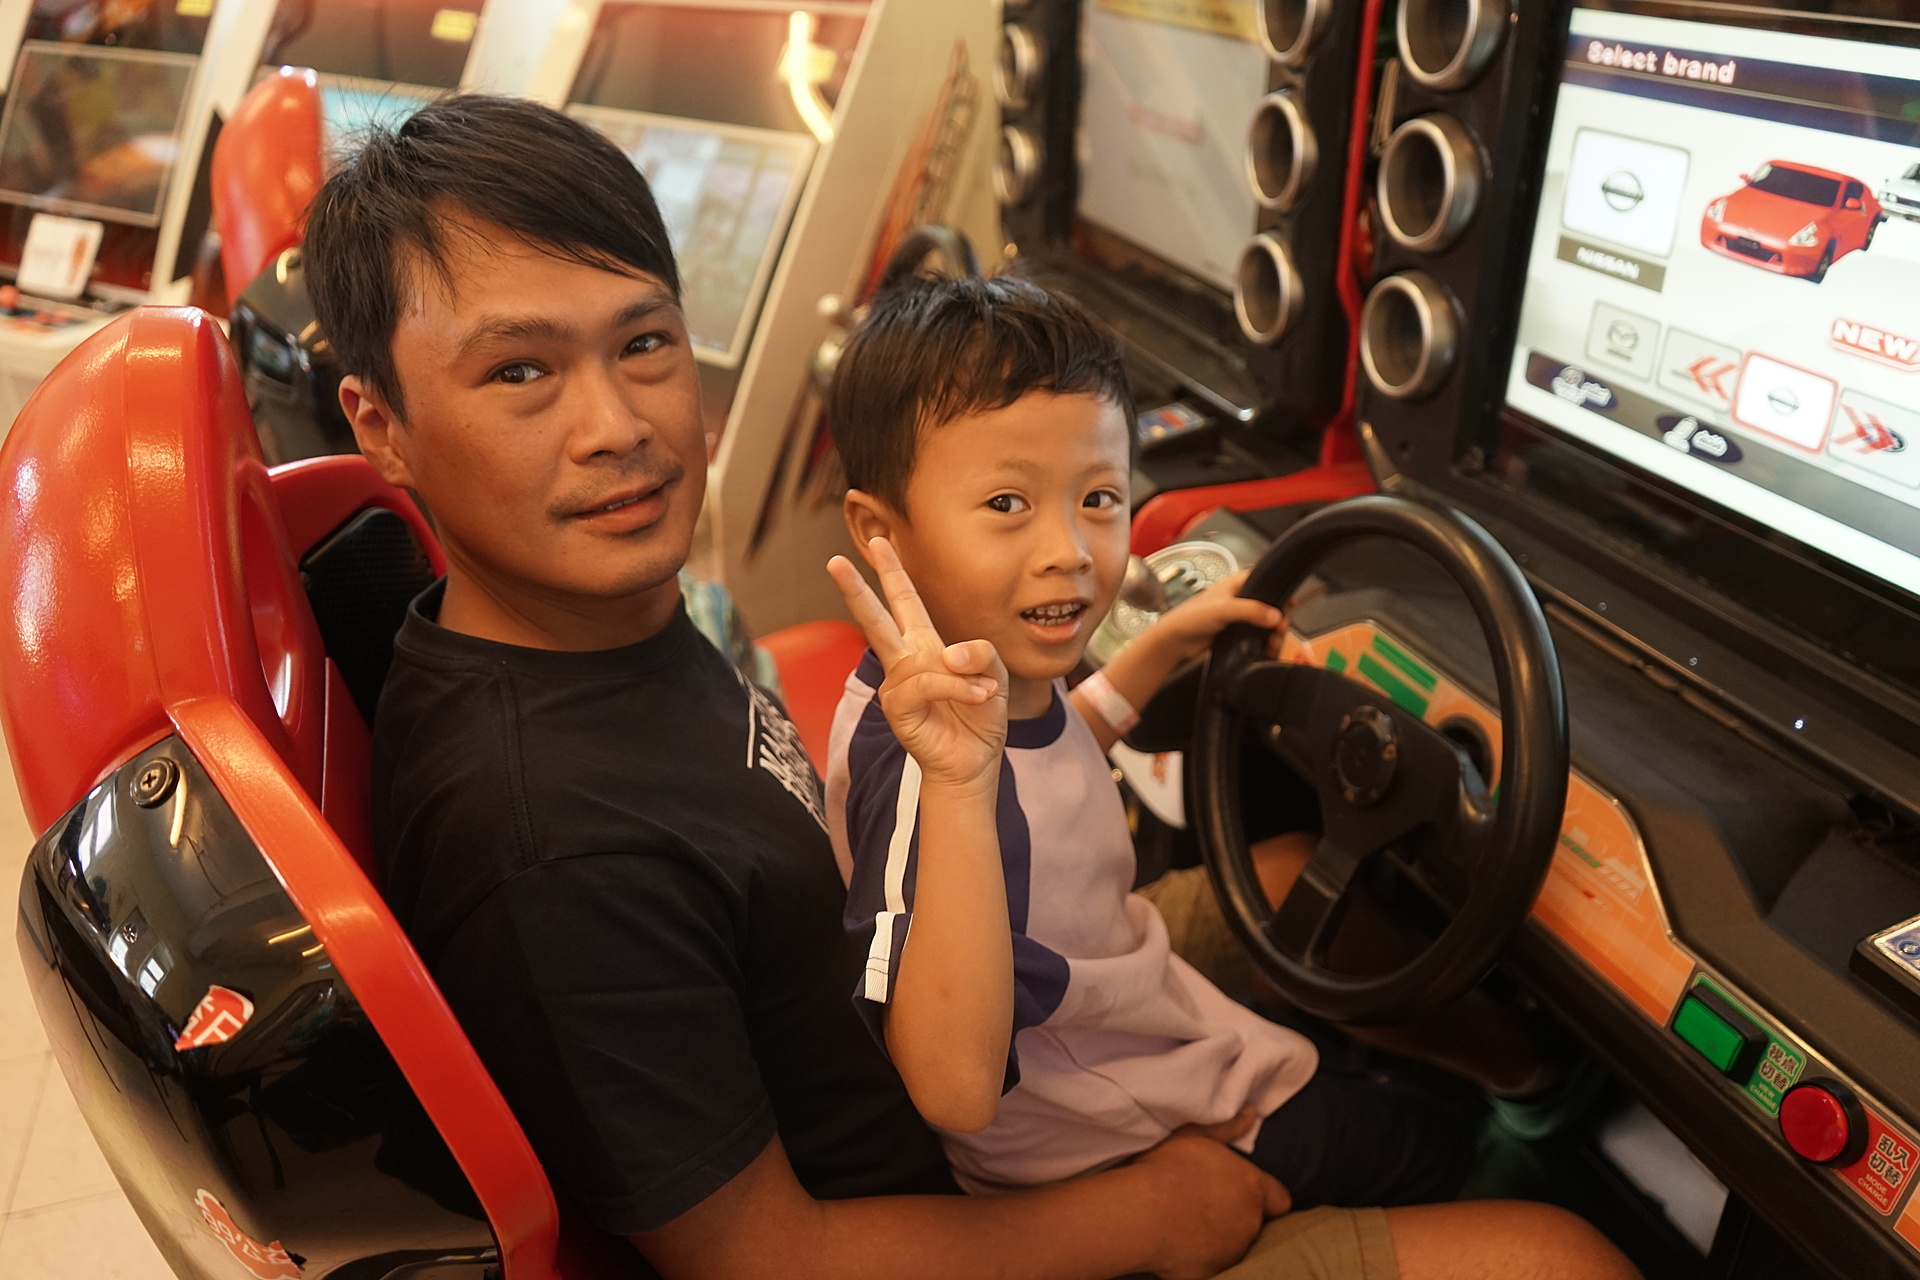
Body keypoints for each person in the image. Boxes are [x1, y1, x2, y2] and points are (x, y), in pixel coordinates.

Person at [304, 91, 1629, 1280]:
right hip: (975, 1185)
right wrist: (1142, 1217)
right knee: (1559, 1256)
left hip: (983, 1018)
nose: (619, 426)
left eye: (644, 341)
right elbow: (762, 1258)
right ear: (380, 426)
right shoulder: (547, 848)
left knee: (1292, 880)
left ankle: (1525, 1101)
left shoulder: (603, 624)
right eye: (521, 371)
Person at [823, 274, 1639, 1278]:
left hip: (1120, 1024)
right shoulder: (932, 767)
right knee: (1423, 1136)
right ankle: (1491, 1152)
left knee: (1296, 892)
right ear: (880, 532)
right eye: (1006, 504)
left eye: (1099, 498)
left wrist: (1157, 651)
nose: (1069, 552)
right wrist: (954, 784)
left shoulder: (966, 680)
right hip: (1101, 1125)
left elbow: (1047, 760)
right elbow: (953, 1089)